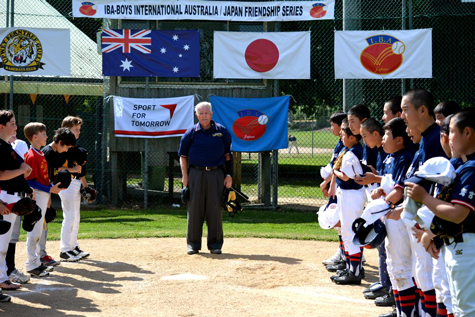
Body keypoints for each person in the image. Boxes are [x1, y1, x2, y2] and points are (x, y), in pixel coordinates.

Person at [406, 108, 475, 316]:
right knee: (458, 306)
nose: (447, 137)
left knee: (467, 310)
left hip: (467, 247)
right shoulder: (463, 165)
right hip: (457, 245)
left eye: (452, 131)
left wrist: (424, 198)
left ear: (468, 133)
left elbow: (457, 214)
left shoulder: (471, 168)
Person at [371, 118, 415, 317]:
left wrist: (375, 211)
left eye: (386, 135)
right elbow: (391, 186)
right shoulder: (391, 157)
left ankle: (407, 311)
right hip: (390, 214)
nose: (382, 139)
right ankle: (400, 310)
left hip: (398, 217)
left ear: (399, 140)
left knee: (401, 265)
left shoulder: (405, 157)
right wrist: (381, 191)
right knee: (392, 264)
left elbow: (398, 192)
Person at [178, 102, 233, 255]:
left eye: (206, 113)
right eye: (201, 113)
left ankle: (215, 244)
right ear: (196, 115)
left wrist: (229, 175)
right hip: (195, 173)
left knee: (215, 209)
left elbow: (228, 156)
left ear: (211, 114)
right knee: (195, 209)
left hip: (216, 174)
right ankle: (193, 245)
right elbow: (183, 156)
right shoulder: (191, 133)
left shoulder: (222, 132)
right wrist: (185, 175)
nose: (204, 116)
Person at [23, 123, 65, 277]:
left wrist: (52, 187)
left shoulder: (39, 153)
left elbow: (42, 178)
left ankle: (36, 263)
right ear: (35, 137)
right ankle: (31, 264)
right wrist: (49, 189)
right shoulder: (32, 155)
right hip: (37, 195)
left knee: (39, 230)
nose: (46, 137)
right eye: (43, 134)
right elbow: (30, 181)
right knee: (34, 231)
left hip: (43, 194)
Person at [328, 118, 366, 285]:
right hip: (351, 195)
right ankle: (352, 267)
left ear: (352, 137)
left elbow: (347, 176)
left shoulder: (351, 153)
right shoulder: (355, 150)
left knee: (350, 232)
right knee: (348, 231)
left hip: (351, 194)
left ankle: (354, 271)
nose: (342, 137)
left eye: (344, 135)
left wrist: (335, 172)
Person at [0, 110, 33, 293]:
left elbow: (21, 164)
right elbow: (2, 175)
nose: (16, 126)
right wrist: (22, 171)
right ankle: (2, 279)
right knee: (1, 242)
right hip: (5, 196)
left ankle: (3, 277)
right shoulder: (0, 147)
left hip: (14, 196)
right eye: (12, 123)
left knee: (4, 242)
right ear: (1, 126)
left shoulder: (7, 146)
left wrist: (23, 168)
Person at [57, 116, 92, 261]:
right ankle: (65, 250)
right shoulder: (62, 148)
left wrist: (86, 186)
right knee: (69, 217)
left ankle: (73, 246)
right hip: (66, 183)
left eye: (79, 129)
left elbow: (80, 171)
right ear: (67, 130)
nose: (78, 132)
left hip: (76, 183)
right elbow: (58, 167)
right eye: (75, 129)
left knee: (75, 217)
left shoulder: (77, 148)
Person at [41, 127, 78, 262]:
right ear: (60, 142)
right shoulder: (48, 153)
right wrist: (48, 194)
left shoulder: (56, 153)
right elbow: (42, 177)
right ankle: (39, 256)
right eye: (66, 147)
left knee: (44, 224)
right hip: (41, 192)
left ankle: (42, 254)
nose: (67, 150)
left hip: (46, 191)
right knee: (40, 225)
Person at [320, 112, 346, 267]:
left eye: (333, 125)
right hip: (336, 185)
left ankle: (345, 253)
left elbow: (338, 167)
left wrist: (327, 183)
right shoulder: (340, 143)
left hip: (341, 187)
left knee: (339, 220)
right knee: (339, 221)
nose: (331, 128)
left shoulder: (345, 144)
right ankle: (346, 252)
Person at [5, 135, 30, 285]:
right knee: (6, 238)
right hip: (7, 197)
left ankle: (10, 269)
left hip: (16, 197)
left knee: (12, 237)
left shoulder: (16, 146)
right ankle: (8, 271)